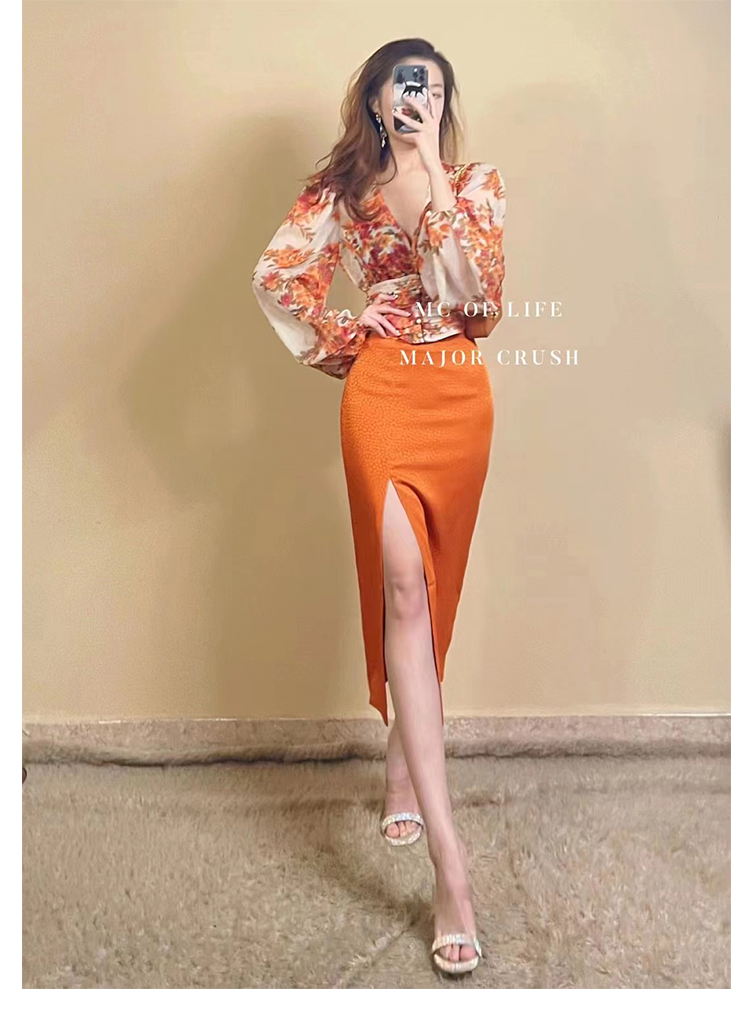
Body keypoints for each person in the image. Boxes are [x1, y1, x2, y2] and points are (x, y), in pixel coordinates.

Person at [252, 37, 506, 976]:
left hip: (459, 397)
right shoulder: (340, 192)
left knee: (433, 595)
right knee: (403, 586)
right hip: (383, 394)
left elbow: (479, 306)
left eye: (431, 91)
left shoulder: (474, 186)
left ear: (442, 103)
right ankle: (452, 872)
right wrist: (346, 336)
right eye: (403, 87)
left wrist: (433, 168)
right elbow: (277, 278)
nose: (415, 100)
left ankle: (403, 760)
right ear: (373, 98)